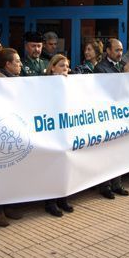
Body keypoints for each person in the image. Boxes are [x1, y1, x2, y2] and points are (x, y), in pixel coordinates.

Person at [94, 38, 129, 198]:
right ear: (108, 51)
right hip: (106, 116)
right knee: (107, 153)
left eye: (121, 50)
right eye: (117, 50)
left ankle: (117, 184)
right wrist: (124, 75)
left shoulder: (119, 66)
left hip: (119, 115)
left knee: (118, 151)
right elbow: (107, 92)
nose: (120, 53)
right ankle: (105, 186)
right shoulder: (100, 68)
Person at [0, 47, 25, 226]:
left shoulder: (17, 80)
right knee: (0, 172)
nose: (21, 65)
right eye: (17, 62)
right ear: (8, 64)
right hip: (1, 133)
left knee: (13, 171)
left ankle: (10, 204)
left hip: (15, 131)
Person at [43, 55, 75, 217]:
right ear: (53, 67)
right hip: (50, 129)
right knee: (52, 165)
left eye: (67, 66)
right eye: (62, 65)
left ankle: (63, 197)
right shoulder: (44, 83)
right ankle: (50, 202)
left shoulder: (70, 84)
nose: (65, 69)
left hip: (64, 129)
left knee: (64, 164)